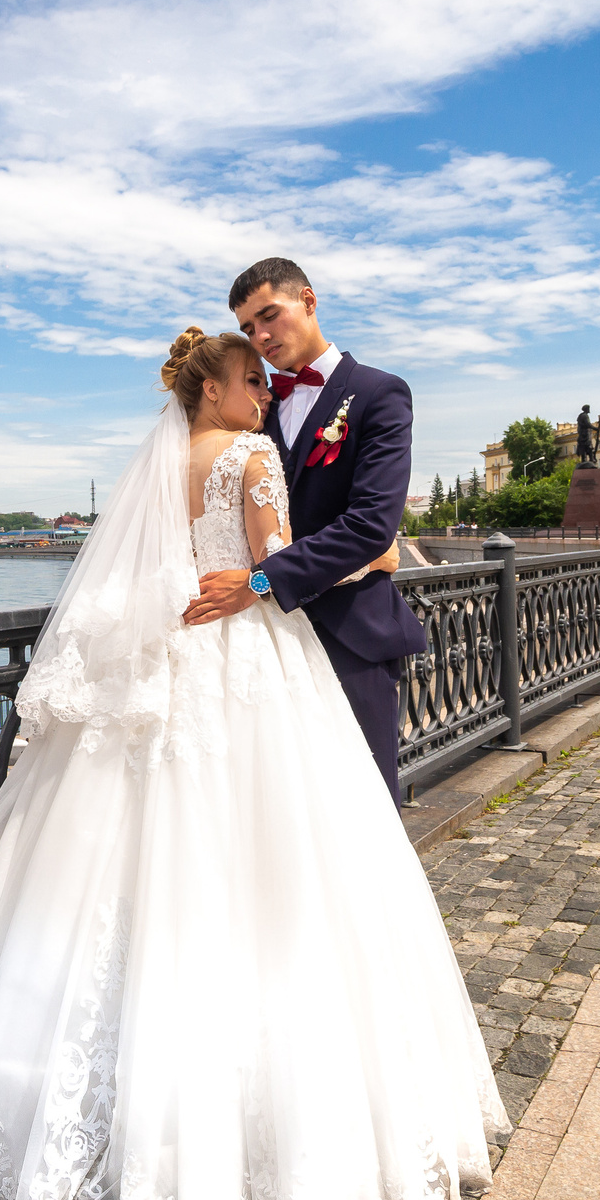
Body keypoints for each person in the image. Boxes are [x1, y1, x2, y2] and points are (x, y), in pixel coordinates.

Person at [0, 326, 505, 1200]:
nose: (260, 393)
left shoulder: (158, 465)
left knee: (110, 874)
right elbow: (270, 569)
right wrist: (359, 569)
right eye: (249, 380)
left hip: (162, 665)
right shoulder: (249, 457)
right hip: (245, 663)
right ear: (212, 388)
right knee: (274, 872)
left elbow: (136, 577)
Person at [185, 258, 427, 806]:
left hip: (349, 636)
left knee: (361, 812)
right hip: (251, 649)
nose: (261, 336)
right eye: (248, 328)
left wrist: (259, 582)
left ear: (309, 301)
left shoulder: (379, 394)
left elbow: (370, 525)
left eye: (269, 316)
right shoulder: (253, 405)